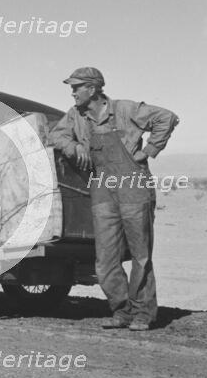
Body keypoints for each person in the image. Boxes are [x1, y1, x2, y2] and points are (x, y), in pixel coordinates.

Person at [49, 67, 179, 331]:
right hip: (102, 188)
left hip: (132, 185)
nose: (72, 92)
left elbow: (167, 117)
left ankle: (143, 313)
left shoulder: (125, 110)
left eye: (77, 87)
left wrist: (149, 150)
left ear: (93, 88)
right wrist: (73, 146)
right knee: (106, 257)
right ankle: (121, 311)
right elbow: (55, 134)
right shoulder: (75, 115)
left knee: (140, 254)